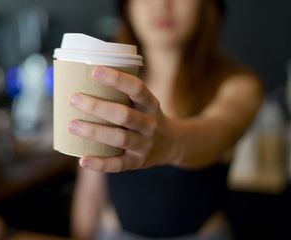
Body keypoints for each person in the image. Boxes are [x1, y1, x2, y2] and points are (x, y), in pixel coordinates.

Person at [70, 0, 264, 239]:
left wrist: (171, 143)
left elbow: (220, 128)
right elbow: (90, 185)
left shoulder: (238, 86)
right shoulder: (106, 83)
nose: (161, 5)